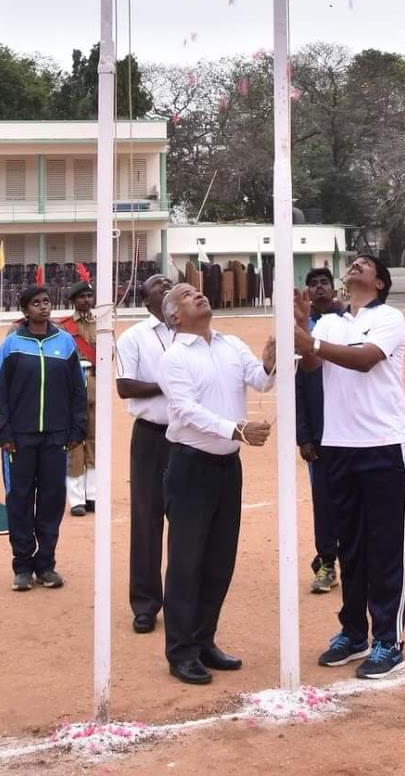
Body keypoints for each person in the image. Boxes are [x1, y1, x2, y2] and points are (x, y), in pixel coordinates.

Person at [294, 253, 405, 679]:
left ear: (379, 282)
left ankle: (388, 640)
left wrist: (313, 344)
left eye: (366, 263)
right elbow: (311, 367)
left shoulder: (390, 318)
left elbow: (365, 360)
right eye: (353, 261)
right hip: (339, 445)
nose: (356, 265)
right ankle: (353, 632)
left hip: (383, 443)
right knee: (350, 547)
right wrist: (299, 328)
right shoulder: (327, 323)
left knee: (385, 545)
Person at [158, 282, 274, 684]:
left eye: (198, 292)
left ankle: (205, 640)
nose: (199, 295)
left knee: (219, 561)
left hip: (227, 467)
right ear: (174, 316)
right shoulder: (173, 357)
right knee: (187, 563)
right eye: (189, 295)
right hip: (191, 466)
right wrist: (236, 428)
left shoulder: (231, 344)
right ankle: (181, 651)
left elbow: (261, 380)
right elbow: (186, 410)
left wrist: (271, 362)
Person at [0, 285, 87, 591]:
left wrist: (76, 430)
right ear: (25, 310)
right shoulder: (12, 345)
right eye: (36, 303)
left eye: (46, 302)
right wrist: (3, 431)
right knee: (19, 500)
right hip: (19, 439)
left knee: (51, 500)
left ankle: (46, 564)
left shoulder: (66, 344)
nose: (43, 307)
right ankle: (22, 565)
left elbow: (77, 392)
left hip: (56, 438)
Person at [115, 273, 173, 632]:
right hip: (152, 437)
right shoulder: (134, 337)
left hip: (191, 438)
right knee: (147, 521)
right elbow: (125, 386)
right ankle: (146, 604)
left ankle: (183, 601)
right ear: (145, 297)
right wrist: (169, 385)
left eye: (170, 281)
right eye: (158, 283)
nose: (166, 285)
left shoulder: (194, 334)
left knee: (189, 524)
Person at [296, 267, 344, 595]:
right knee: (323, 500)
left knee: (355, 498)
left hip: (353, 426)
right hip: (320, 432)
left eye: (324, 283)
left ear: (333, 287)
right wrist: (304, 435)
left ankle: (355, 559)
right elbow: (297, 383)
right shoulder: (302, 328)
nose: (318, 289)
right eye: (312, 284)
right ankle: (327, 562)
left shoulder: (350, 321)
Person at [58, 280, 98, 516]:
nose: (86, 300)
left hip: (95, 385)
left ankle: (93, 494)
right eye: (81, 297)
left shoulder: (101, 324)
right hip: (72, 387)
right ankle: (76, 498)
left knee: (94, 440)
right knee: (74, 442)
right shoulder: (65, 327)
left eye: (88, 296)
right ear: (73, 300)